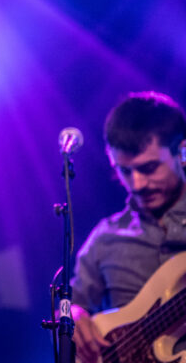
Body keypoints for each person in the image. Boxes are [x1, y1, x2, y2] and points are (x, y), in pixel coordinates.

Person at [70, 91, 186, 363]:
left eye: (149, 168)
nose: (137, 184)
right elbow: (72, 305)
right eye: (124, 171)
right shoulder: (105, 238)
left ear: (182, 153)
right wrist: (74, 317)